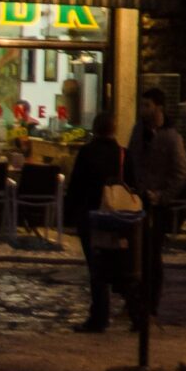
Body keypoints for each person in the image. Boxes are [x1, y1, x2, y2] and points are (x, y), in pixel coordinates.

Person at [124, 89, 186, 325]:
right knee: (133, 254)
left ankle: (150, 303)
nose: (143, 110)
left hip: (157, 205)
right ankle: (134, 302)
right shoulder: (138, 131)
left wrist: (162, 195)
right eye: (142, 105)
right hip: (137, 201)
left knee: (151, 254)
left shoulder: (171, 137)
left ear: (159, 108)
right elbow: (131, 159)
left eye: (147, 105)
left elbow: (182, 173)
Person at [63, 110, 127, 333]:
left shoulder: (87, 153)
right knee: (120, 262)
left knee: (96, 266)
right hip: (117, 216)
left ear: (95, 129)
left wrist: (68, 213)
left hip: (90, 215)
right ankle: (136, 311)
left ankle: (99, 315)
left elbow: (76, 185)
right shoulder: (122, 154)